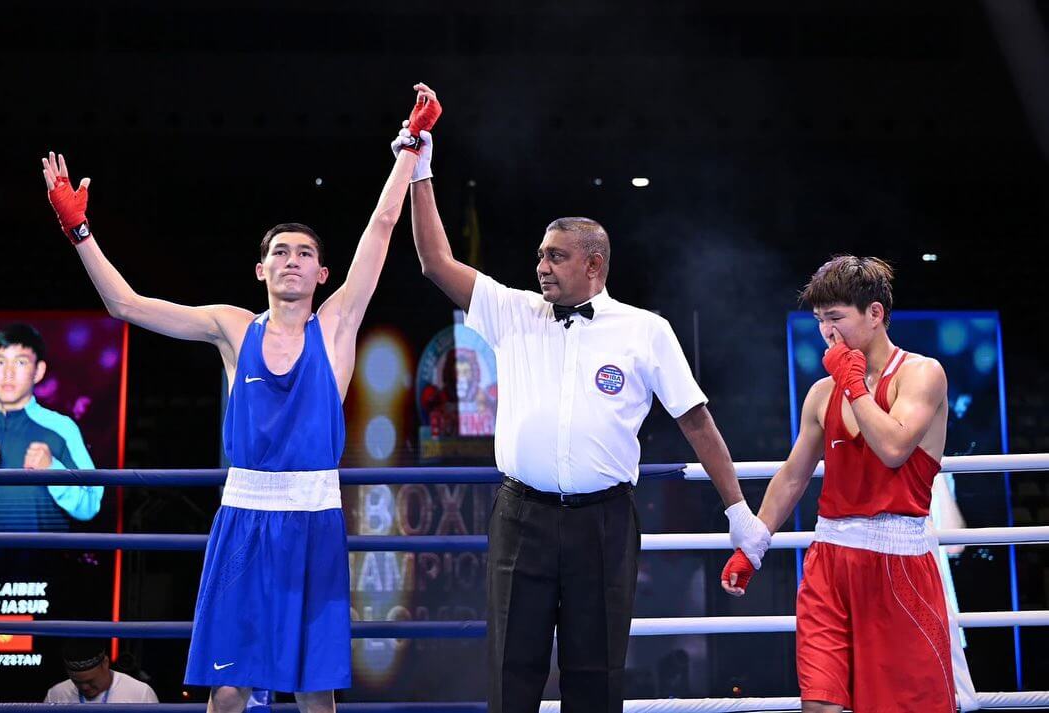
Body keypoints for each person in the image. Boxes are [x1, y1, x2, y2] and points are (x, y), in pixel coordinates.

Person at [43, 86, 441, 713]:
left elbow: (382, 226)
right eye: (279, 252)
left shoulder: (336, 326)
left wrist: (410, 149)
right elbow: (126, 305)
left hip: (314, 519)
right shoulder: (233, 328)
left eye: (305, 254)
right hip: (243, 520)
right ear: (261, 270)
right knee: (228, 691)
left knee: (314, 694)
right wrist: (79, 231)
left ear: (322, 274)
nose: (292, 261)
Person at [398, 83, 770, 713]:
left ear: (594, 264)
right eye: (540, 255)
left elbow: (697, 422)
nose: (541, 266)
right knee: (511, 673)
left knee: (595, 677)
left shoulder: (645, 330)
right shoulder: (514, 311)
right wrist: (420, 164)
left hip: (603, 522)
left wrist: (738, 511)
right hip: (521, 515)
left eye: (556, 256)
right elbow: (435, 261)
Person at [720, 256, 956, 712]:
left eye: (836, 318)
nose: (827, 332)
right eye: (819, 321)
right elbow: (794, 474)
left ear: (875, 313)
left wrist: (853, 383)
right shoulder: (821, 393)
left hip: (898, 569)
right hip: (828, 564)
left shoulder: (922, 374)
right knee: (820, 704)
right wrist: (754, 545)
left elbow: (893, 448)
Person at [0, 323, 101, 531]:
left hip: (42, 551)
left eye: (20, 362)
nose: (8, 373)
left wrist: (53, 471)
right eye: (0, 362)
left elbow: (90, 506)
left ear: (38, 371)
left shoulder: (62, 428)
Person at [43, 639, 158, 703]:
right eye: (76, 682)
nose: (84, 687)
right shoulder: (56, 695)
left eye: (90, 681)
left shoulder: (139, 693)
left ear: (105, 663)